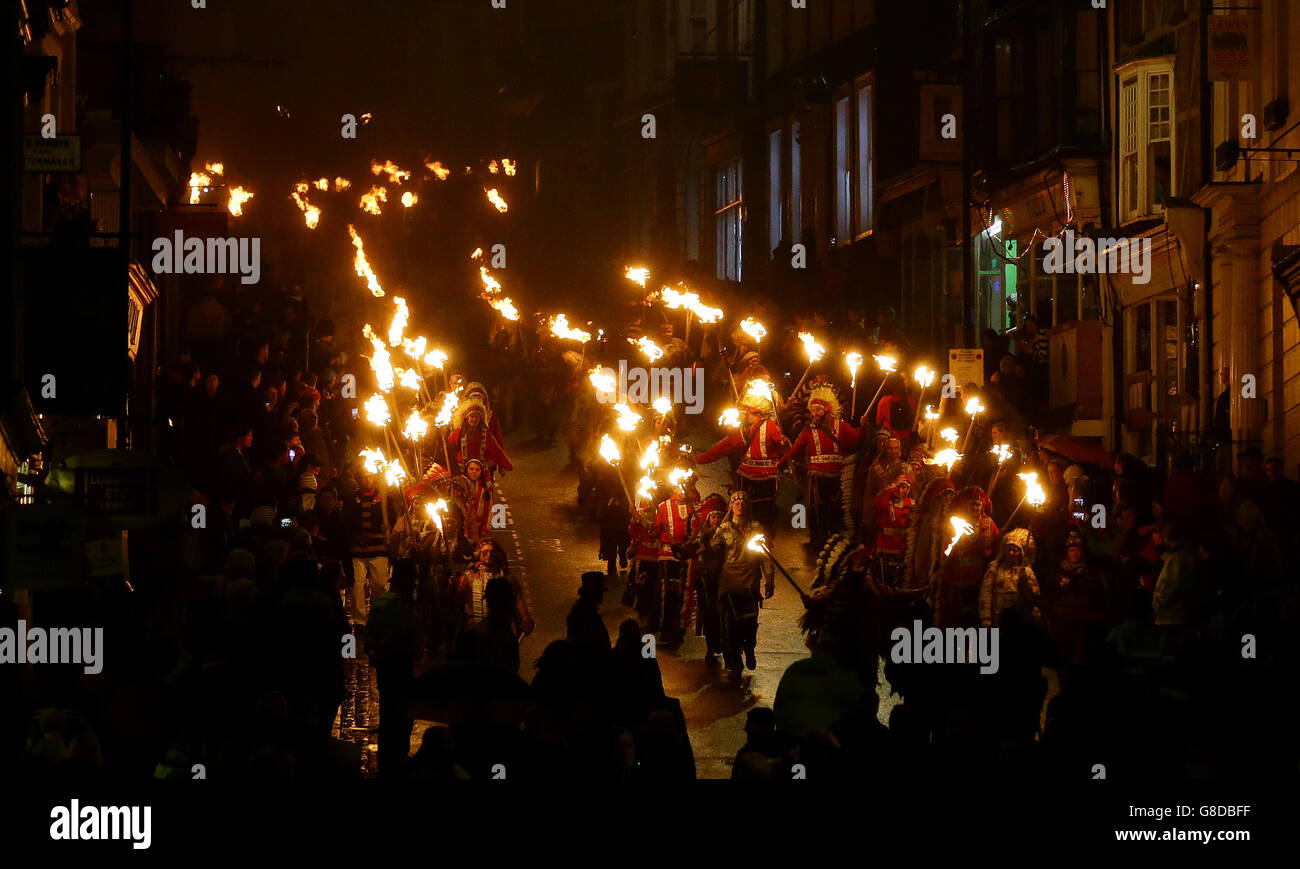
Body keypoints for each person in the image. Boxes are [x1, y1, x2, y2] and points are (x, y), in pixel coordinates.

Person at [696, 387, 789, 543]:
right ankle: (746, 543)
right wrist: (697, 460)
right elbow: (722, 448)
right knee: (745, 513)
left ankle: (764, 543)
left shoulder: (771, 426)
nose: (743, 415)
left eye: (747, 413)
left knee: (762, 514)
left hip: (765, 480)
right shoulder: (741, 431)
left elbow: (782, 448)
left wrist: (784, 445)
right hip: (746, 479)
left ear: (756, 414)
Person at [778, 385, 860, 554]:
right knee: (817, 510)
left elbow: (856, 440)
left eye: (818, 409)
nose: (815, 413)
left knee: (836, 509)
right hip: (816, 476)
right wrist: (782, 461)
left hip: (837, 475)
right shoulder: (808, 431)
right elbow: (795, 450)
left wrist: (864, 427)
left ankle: (835, 539)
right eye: (813, 409)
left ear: (827, 409)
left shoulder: (841, 426)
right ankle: (818, 540)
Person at [708, 491, 774, 678]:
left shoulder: (756, 528)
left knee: (749, 623)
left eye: (743, 502)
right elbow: (712, 552)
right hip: (728, 583)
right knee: (729, 626)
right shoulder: (723, 529)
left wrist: (769, 579)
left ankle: (749, 647)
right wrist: (707, 544)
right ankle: (734, 664)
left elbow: (766, 556)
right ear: (731, 506)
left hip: (750, 583)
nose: (740, 504)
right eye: (736, 502)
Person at [365, 559, 421, 779]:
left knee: (389, 712)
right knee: (403, 713)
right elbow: (417, 642)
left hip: (387, 666)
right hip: (400, 665)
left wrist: (375, 656)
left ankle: (388, 760)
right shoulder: (406, 608)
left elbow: (370, 639)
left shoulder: (380, 605)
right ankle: (397, 757)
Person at [345, 471, 391, 627]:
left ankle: (377, 616)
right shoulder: (352, 498)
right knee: (357, 586)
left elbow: (391, 517)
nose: (367, 480)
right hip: (357, 550)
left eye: (370, 476)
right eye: (363, 476)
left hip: (378, 549)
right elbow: (348, 520)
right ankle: (360, 621)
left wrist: (387, 527)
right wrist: (355, 535)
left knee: (379, 585)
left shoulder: (383, 498)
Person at [979, 528, 1039, 627]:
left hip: (1019, 618)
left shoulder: (1026, 571)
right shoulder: (995, 569)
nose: (1011, 553)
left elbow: (1034, 593)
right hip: (998, 618)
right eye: (1009, 550)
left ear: (1022, 553)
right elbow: (986, 593)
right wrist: (986, 617)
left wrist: (1035, 610)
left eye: (1015, 551)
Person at [566, 572, 612, 655]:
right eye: (600, 592)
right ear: (595, 593)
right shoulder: (588, 616)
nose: (602, 596)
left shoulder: (582, 610)